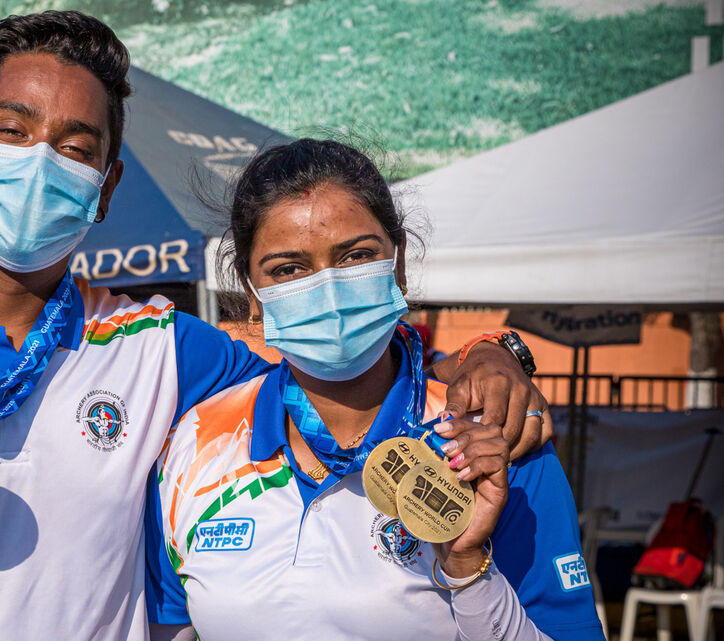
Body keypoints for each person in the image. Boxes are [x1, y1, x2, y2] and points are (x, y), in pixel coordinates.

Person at [0, 13, 551, 641]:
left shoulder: (164, 349)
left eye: (75, 146)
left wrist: (490, 355)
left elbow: (341, 354)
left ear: (108, 183)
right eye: (12, 132)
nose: (39, 163)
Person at [145, 139, 604, 640]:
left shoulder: (496, 443)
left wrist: (468, 568)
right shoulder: (191, 448)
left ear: (398, 264)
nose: (329, 288)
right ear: (252, 295)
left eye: (356, 256)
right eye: (288, 269)